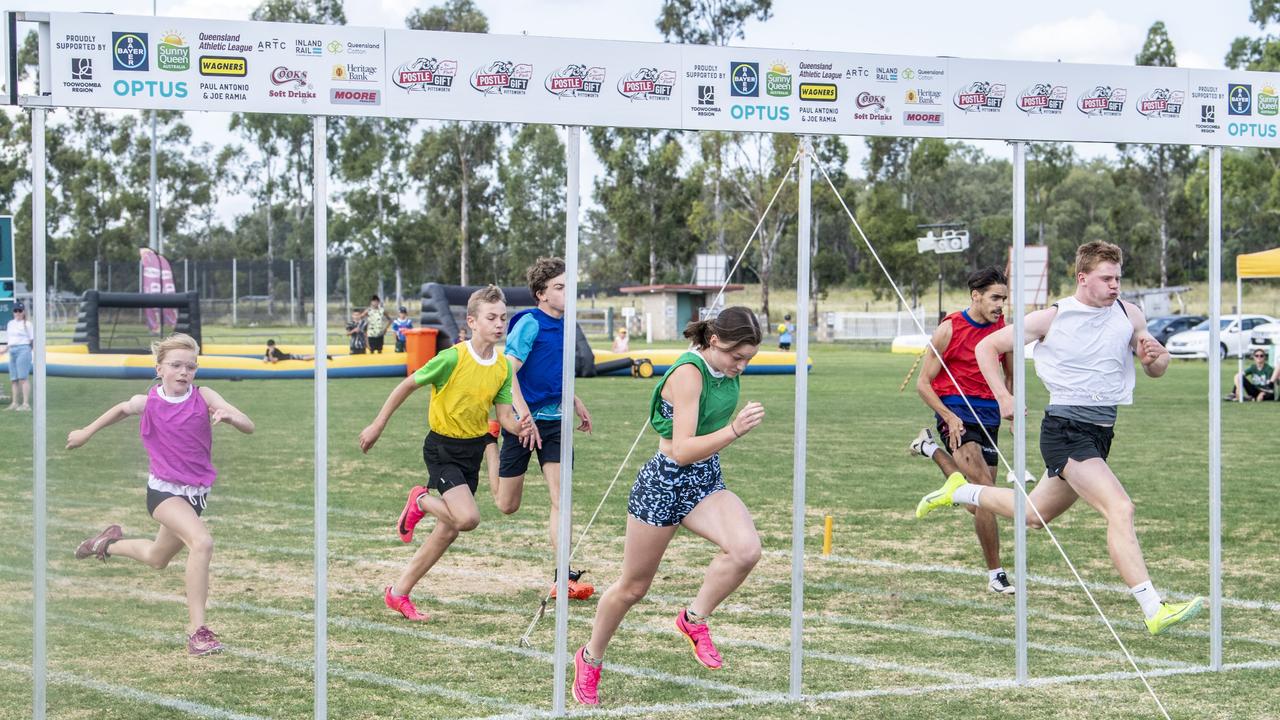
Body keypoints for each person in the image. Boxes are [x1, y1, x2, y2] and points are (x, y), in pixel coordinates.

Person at [915, 241, 1204, 636]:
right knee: (1120, 507)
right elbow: (988, 346)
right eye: (1106, 278)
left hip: (1101, 432)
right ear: (1083, 278)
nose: (1115, 285)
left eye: (1118, 277)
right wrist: (1003, 396)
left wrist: (1157, 358)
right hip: (1065, 431)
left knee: (1034, 515)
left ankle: (959, 492)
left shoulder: (1129, 313)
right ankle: (1153, 608)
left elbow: (1156, 367)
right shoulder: (1054, 316)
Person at [573, 307, 766, 706]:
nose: (742, 366)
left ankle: (693, 620)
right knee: (633, 588)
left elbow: (699, 452)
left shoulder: (725, 371)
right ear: (715, 341)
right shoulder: (688, 374)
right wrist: (735, 430)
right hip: (664, 481)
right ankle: (589, 658)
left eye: (748, 359)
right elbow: (679, 452)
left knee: (746, 550)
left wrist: (727, 432)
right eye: (737, 357)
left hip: (705, 479)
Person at [66, 333, 255, 655]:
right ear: (159, 369)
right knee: (202, 542)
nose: (184, 372)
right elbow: (121, 409)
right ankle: (198, 632)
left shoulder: (205, 395)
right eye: (176, 365)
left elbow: (249, 425)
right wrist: (85, 432)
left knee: (157, 558)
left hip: (196, 494)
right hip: (163, 492)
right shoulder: (149, 401)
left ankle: (104, 544)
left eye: (191, 367)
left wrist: (231, 417)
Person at [358, 285, 532, 622]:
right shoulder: (452, 357)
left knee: (449, 528)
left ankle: (398, 593)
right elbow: (407, 385)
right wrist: (377, 425)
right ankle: (419, 501)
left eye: (503, 318)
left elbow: (505, 417)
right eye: (491, 318)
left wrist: (519, 427)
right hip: (441, 449)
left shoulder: (501, 368)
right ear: (472, 321)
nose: (499, 324)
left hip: (471, 451)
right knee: (467, 518)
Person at [493, 258, 595, 600]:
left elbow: (552, 371)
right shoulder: (530, 325)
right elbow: (509, 372)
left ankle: (562, 575)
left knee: (560, 498)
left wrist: (574, 398)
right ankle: (489, 443)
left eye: (569, 286)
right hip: (523, 423)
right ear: (541, 294)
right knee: (507, 504)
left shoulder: (567, 325)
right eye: (559, 287)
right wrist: (523, 416)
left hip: (555, 424)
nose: (568, 293)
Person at [909, 267, 1015, 595]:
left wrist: (1010, 406)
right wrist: (948, 416)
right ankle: (996, 575)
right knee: (984, 489)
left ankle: (929, 449)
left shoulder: (1003, 329)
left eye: (1004, 299)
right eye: (995, 298)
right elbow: (923, 385)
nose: (1001, 305)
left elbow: (1010, 375)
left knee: (979, 501)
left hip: (989, 414)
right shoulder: (949, 328)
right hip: (956, 410)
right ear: (976, 296)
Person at [4, 302, 32, 410]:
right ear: (13, 312)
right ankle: (14, 402)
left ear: (23, 312)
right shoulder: (10, 323)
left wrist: (30, 351)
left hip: (23, 349)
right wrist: (5, 350)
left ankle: (25, 404)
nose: (18, 313)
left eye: (20, 311)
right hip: (12, 350)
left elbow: (31, 340)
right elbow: (10, 340)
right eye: (16, 311)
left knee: (23, 378)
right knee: (13, 379)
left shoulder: (28, 324)